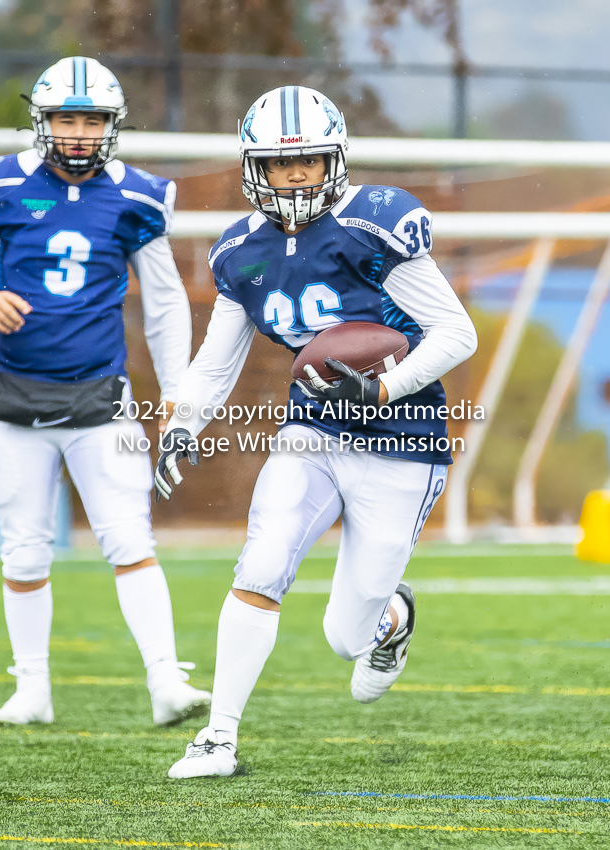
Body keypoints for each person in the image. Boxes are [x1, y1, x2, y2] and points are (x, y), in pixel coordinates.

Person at [154, 85, 477, 778]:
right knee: (263, 563)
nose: (295, 175)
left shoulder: (374, 225)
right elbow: (219, 359)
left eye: (309, 161)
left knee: (344, 635)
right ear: (256, 169)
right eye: (280, 163)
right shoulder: (241, 249)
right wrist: (182, 423)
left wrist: (383, 385)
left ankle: (389, 620)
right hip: (313, 432)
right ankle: (217, 738)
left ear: (335, 161)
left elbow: (457, 333)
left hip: (403, 438)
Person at [0, 56, 210, 726]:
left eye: (92, 119)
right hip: (15, 398)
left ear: (113, 125)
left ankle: (166, 683)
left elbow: (163, 306)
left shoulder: (139, 196)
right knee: (24, 546)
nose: (78, 131)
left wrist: (179, 393)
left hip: (102, 400)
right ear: (42, 122)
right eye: (66, 118)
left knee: (130, 539)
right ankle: (31, 689)